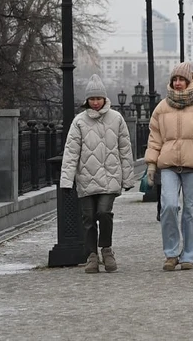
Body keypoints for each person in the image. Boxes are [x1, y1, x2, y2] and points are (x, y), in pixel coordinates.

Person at [145, 62, 193, 271]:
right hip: (168, 165)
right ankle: (171, 253)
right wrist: (151, 165)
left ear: (189, 81)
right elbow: (154, 138)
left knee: (192, 211)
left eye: (181, 79)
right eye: (175, 80)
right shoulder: (162, 107)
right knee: (168, 206)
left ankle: (188, 254)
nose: (178, 83)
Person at [59, 74, 135, 274]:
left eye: (98, 98)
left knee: (104, 212)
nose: (95, 102)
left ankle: (106, 249)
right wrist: (66, 181)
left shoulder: (116, 119)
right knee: (88, 218)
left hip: (110, 176)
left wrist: (128, 178)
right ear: (87, 100)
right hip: (86, 177)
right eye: (92, 99)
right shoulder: (79, 122)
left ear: (104, 98)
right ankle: (92, 255)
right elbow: (71, 152)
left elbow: (125, 149)